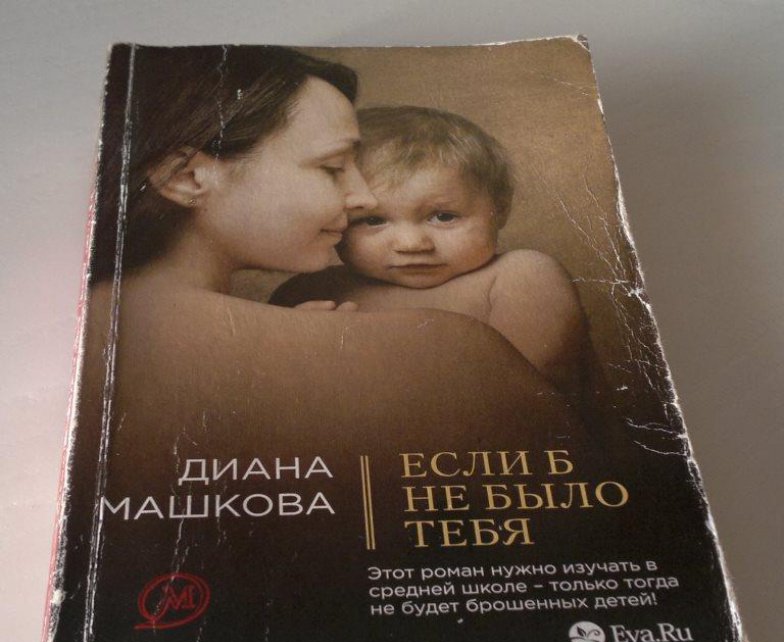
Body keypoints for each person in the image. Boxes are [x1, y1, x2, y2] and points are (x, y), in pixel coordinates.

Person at [80, 47, 587, 497]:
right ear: (187, 177)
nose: (362, 197)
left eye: (442, 216)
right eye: (332, 167)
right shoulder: (446, 351)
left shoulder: (90, 337)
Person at [270, 106, 590, 399]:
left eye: (443, 216)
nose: (412, 244)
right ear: (333, 219)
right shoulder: (309, 291)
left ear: (500, 209)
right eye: (373, 220)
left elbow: (524, 389)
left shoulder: (520, 276)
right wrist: (296, 355)